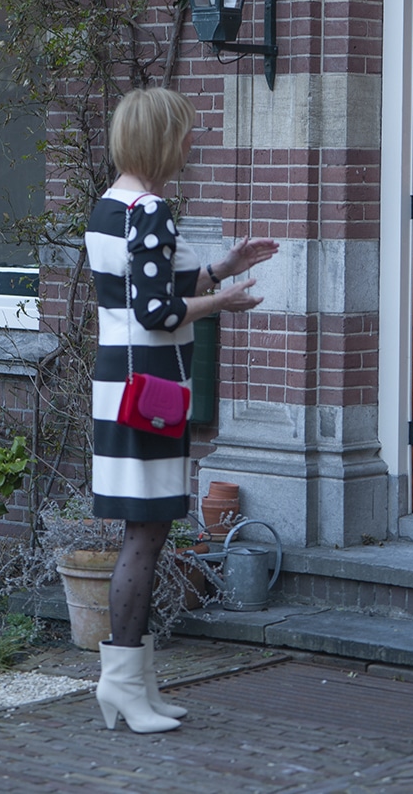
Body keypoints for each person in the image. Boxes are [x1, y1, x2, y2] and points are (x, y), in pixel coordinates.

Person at [85, 87, 278, 732]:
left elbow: (145, 289)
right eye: (186, 133)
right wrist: (222, 302)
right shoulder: (153, 210)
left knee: (144, 531)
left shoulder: (112, 206)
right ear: (162, 140)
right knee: (145, 535)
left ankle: (134, 683)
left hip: (122, 388)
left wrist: (221, 268)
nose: (193, 143)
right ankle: (122, 686)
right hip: (151, 394)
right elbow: (157, 312)